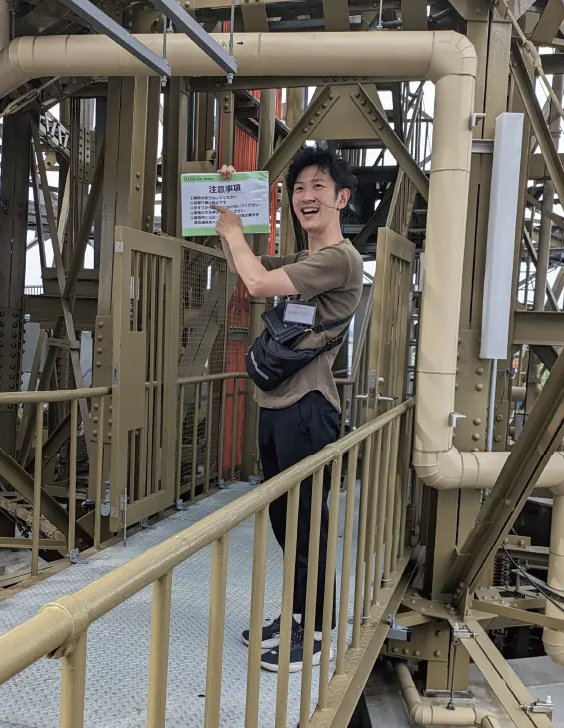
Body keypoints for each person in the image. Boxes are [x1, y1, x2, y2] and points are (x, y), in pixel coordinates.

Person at [213, 144, 363, 673]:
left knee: (306, 523)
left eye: (319, 186)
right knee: (284, 518)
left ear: (342, 197)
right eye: (299, 188)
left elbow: (255, 282)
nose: (306, 196)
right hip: (278, 402)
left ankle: (319, 632)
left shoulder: (339, 260)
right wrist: (227, 195)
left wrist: (234, 229)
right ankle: (302, 614)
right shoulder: (305, 260)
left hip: (308, 406)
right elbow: (247, 267)